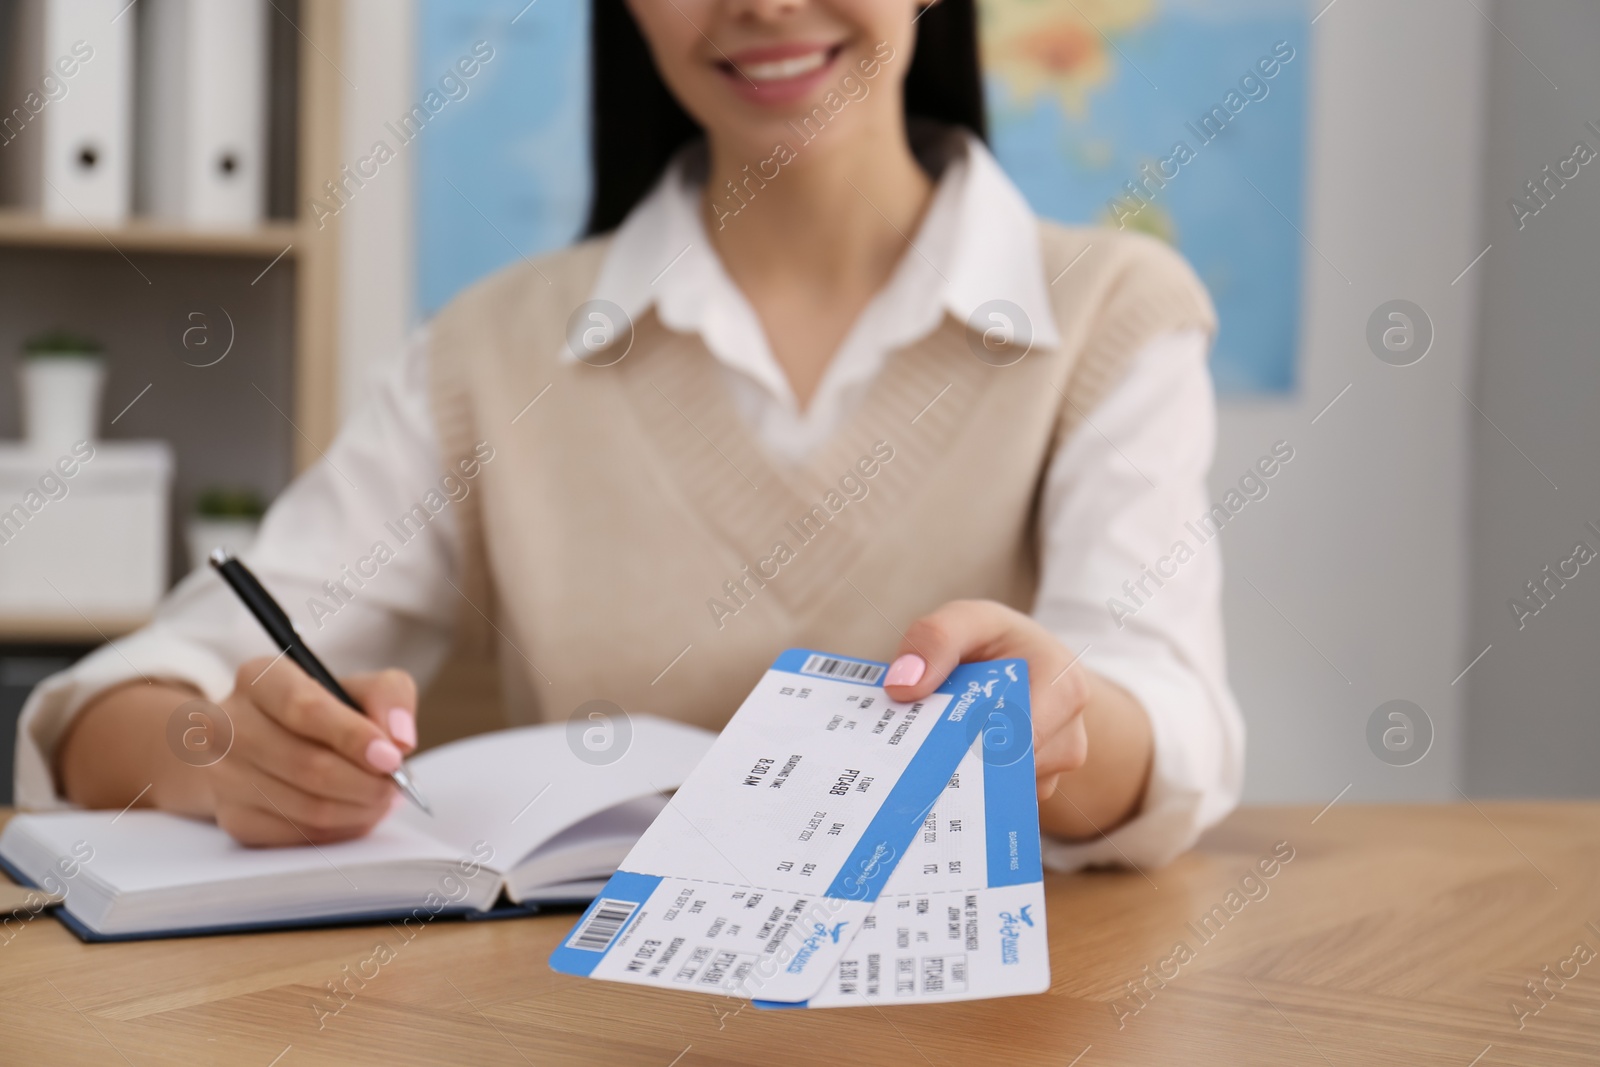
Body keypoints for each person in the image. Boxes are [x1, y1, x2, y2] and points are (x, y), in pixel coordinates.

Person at [19, 0, 1242, 870]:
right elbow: (122, 698)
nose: (762, 4)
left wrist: (1056, 727)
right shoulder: (488, 352)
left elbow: (1163, 710)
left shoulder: (1110, 314)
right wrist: (221, 750)